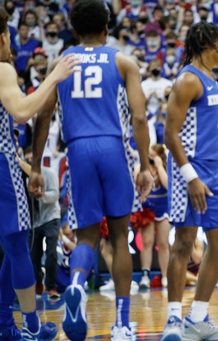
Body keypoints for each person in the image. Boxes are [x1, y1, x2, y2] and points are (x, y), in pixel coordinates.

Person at [29, 1, 153, 340]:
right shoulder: (122, 60)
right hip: (112, 147)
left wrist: (37, 166)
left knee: (86, 235)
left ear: (73, 27)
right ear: (106, 28)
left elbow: (43, 117)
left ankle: (80, 285)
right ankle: (122, 324)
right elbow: (140, 118)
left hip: (78, 149)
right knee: (119, 237)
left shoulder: (60, 62)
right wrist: (144, 164)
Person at [0, 8, 77, 341]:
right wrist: (54, 76)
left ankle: (5, 324)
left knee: (10, 247)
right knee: (18, 245)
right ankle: (31, 325)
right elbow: (21, 110)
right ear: (3, 38)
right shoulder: (2, 68)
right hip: (2, 166)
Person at [161, 21, 218, 341]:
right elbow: (169, 134)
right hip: (186, 170)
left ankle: (198, 318)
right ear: (207, 44)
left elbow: (206, 134)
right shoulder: (188, 80)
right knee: (183, 243)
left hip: (210, 169)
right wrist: (191, 177)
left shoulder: (212, 80)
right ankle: (174, 322)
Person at [18, 147, 61, 299]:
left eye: (32, 159)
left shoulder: (49, 173)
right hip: (35, 221)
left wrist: (41, 196)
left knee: (51, 253)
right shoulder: (24, 178)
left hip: (51, 218)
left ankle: (52, 288)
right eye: (27, 159)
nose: (30, 161)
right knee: (34, 255)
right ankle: (38, 281)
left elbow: (55, 195)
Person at [133, 144, 171, 289]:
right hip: (147, 209)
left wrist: (160, 166)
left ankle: (165, 276)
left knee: (163, 243)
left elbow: (168, 185)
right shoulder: (141, 167)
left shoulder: (166, 167)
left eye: (152, 155)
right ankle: (145, 276)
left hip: (163, 208)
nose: (149, 157)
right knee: (147, 242)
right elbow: (136, 179)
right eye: (148, 154)